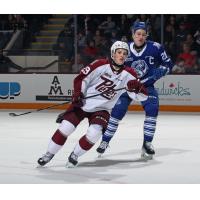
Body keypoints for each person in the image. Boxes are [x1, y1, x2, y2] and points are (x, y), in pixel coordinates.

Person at [37, 41, 148, 168]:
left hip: (102, 109)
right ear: (113, 53)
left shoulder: (130, 74)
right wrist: (78, 93)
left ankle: (75, 155)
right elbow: (81, 78)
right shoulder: (100, 64)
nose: (122, 55)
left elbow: (142, 96)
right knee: (66, 127)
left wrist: (138, 88)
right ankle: (49, 154)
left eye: (124, 53)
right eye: (119, 52)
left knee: (94, 133)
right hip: (83, 103)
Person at [96, 22, 174, 159]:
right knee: (117, 112)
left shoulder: (156, 47)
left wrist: (161, 71)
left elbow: (168, 64)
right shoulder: (125, 48)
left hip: (146, 86)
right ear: (133, 34)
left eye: (144, 34)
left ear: (147, 35)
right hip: (127, 86)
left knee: (152, 110)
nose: (141, 37)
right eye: (138, 34)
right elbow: (115, 65)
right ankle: (105, 141)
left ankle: (147, 143)